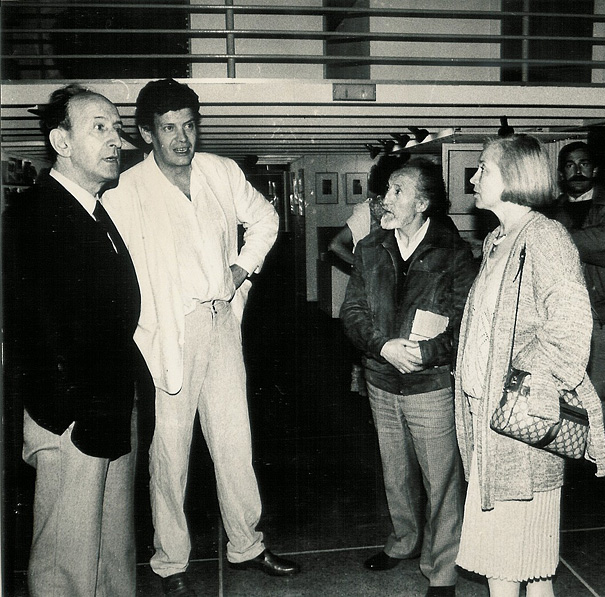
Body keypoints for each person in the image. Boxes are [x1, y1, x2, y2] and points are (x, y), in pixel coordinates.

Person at [102, 78, 297, 597]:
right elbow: (111, 267)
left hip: (222, 319)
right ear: (147, 134)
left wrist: (241, 269)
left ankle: (247, 544)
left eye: (189, 126)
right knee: (171, 450)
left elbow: (266, 219)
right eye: (169, 129)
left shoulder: (220, 171)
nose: (182, 138)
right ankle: (170, 562)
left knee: (234, 439)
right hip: (170, 330)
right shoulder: (125, 190)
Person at [454, 134, 605, 597]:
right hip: (491, 420)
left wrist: (523, 382)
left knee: (505, 562)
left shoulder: (544, 236)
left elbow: (571, 326)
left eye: (484, 168)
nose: (474, 178)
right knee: (531, 567)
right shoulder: (499, 239)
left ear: (514, 177)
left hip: (517, 421)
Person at [3, 85, 141, 596]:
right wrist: (66, 416)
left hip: (107, 407)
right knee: (67, 558)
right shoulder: (33, 215)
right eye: (99, 127)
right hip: (71, 418)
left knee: (108, 552)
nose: (115, 140)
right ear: (61, 142)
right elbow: (31, 327)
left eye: (117, 128)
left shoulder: (93, 211)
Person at [340, 158, 477, 597]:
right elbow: (352, 311)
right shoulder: (370, 247)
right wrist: (382, 347)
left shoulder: (453, 253)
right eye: (387, 190)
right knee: (394, 473)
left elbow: (465, 323)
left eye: (397, 191)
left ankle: (442, 569)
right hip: (381, 379)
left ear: (422, 203)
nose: (386, 199)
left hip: (429, 384)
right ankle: (403, 541)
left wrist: (424, 353)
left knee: (441, 481)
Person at [547, 141, 605, 482]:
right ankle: (566, 458)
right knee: (559, 391)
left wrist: (556, 237)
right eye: (570, 164)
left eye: (584, 163)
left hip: (600, 314)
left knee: (601, 391)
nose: (577, 170)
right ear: (561, 172)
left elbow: (604, 245)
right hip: (560, 315)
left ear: (594, 170)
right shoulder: (552, 210)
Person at [328, 154, 407, 396]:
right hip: (376, 287)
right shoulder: (366, 210)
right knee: (371, 332)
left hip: (397, 285)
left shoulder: (407, 211)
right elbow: (335, 244)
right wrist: (363, 266)